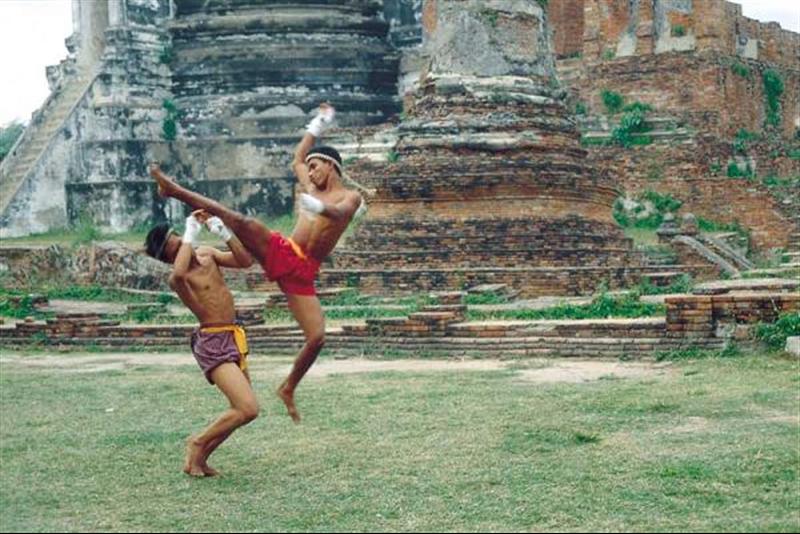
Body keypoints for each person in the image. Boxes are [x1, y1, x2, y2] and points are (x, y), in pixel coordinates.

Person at [149, 103, 364, 423]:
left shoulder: (349, 196)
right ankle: (175, 190)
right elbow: (297, 157)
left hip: (303, 273)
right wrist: (319, 122)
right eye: (309, 168)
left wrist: (318, 207)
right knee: (241, 220)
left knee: (317, 337)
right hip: (285, 251)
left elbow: (341, 213)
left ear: (330, 166)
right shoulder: (310, 186)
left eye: (315, 166)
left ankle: (288, 388)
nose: (309, 172)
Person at [144, 210, 258, 476]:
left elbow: (245, 261)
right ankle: (197, 443)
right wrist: (190, 232)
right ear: (170, 255)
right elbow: (177, 274)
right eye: (177, 245)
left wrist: (223, 231)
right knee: (247, 407)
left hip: (233, 336)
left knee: (243, 411)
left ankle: (199, 459)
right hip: (212, 342)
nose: (184, 245)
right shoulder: (181, 278)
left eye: (180, 238)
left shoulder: (208, 254)